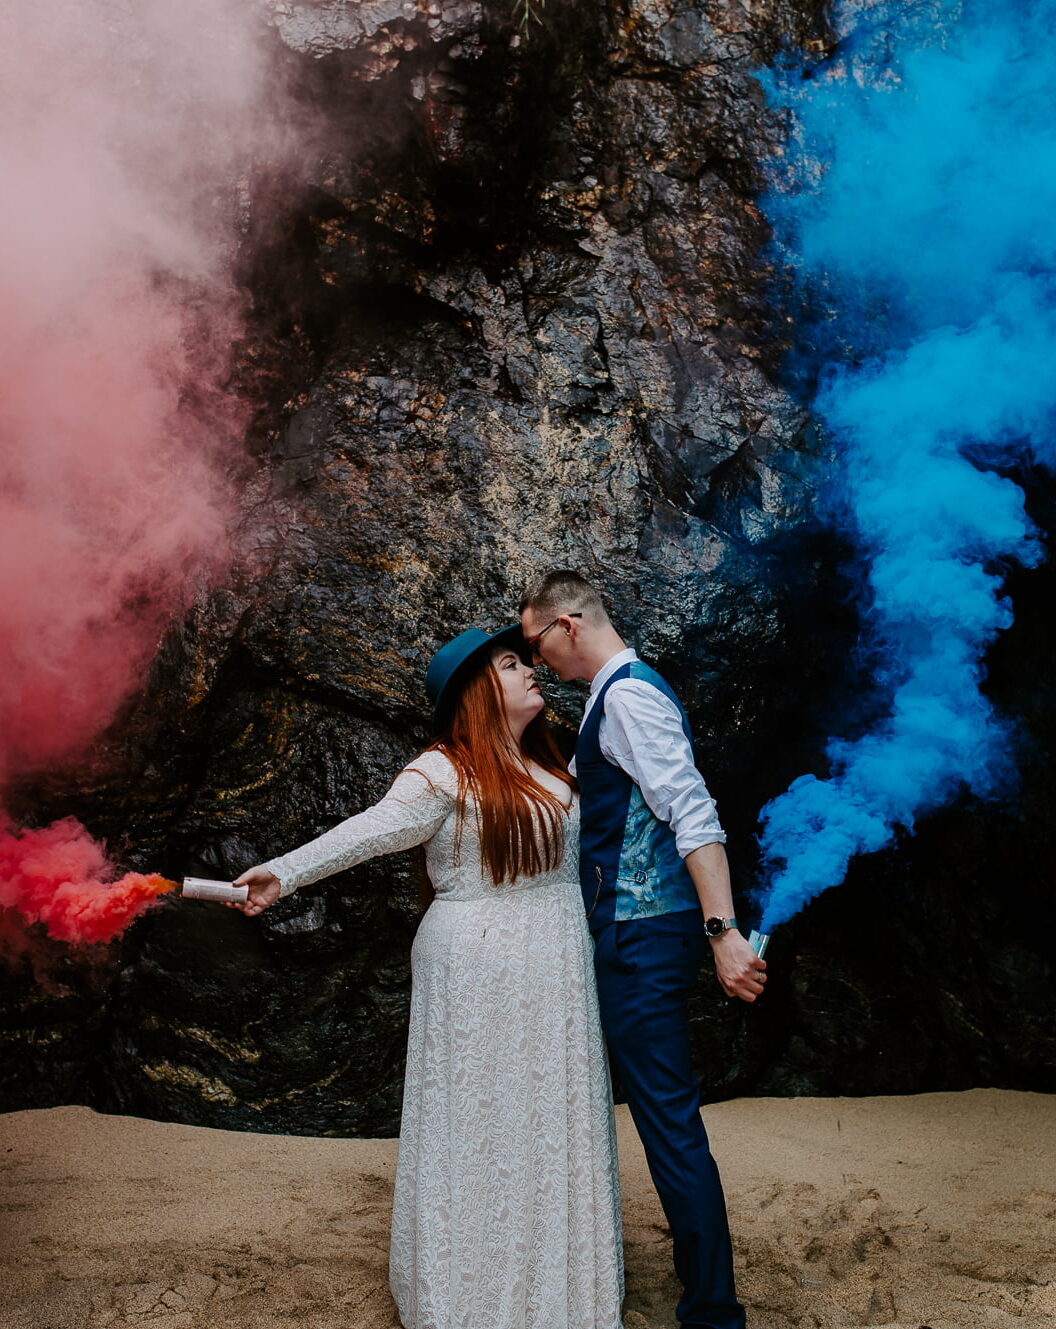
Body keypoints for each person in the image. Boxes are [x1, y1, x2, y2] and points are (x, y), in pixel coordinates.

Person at [230, 625, 623, 1329]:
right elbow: (371, 830)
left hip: (557, 960)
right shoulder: (443, 769)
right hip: (479, 963)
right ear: (477, 690)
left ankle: (556, 1294)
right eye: (510, 663)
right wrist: (283, 873)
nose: (531, 668)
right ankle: (471, 1298)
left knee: (548, 1122)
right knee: (480, 1125)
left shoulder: (552, 762)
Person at [519, 571, 764, 1329]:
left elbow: (692, 813)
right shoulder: (615, 694)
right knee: (663, 1117)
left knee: (667, 1122)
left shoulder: (625, 696)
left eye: (534, 643)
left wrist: (723, 934)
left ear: (568, 624)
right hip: (632, 934)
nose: (535, 662)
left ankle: (714, 1314)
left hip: (641, 937)